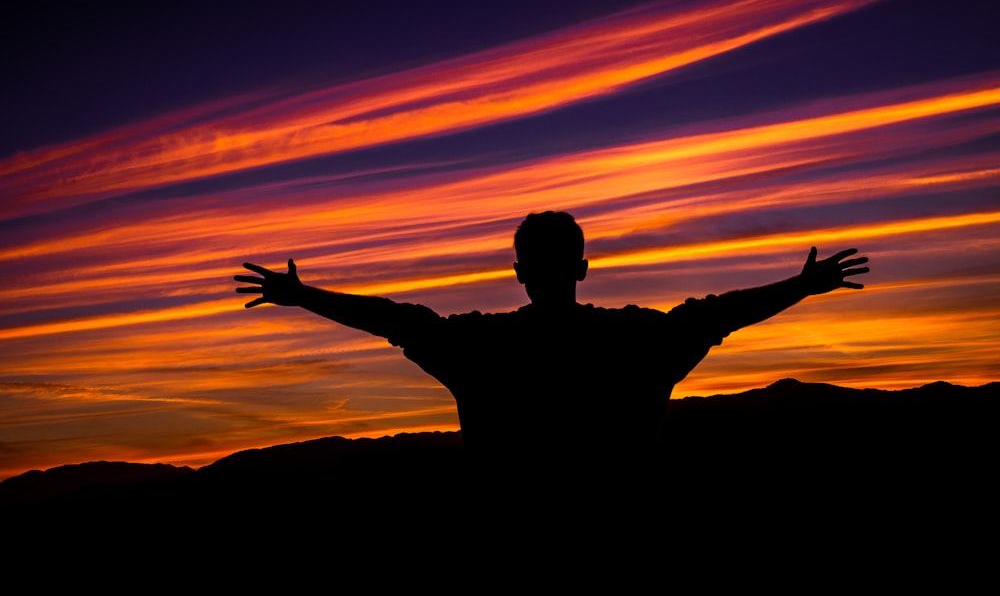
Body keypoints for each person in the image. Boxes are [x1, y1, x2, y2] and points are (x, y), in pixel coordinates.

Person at [234, 211, 868, 477]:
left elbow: (399, 320)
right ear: (583, 269)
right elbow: (717, 315)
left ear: (519, 274)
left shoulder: (481, 347)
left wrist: (307, 296)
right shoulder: (637, 340)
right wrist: (801, 286)